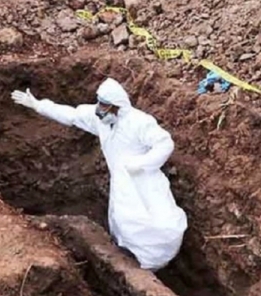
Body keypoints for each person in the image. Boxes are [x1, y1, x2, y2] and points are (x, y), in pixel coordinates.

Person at [11, 78, 188, 271]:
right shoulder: (101, 120)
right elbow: (72, 115)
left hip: (144, 180)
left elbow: (164, 143)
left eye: (104, 106)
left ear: (117, 107)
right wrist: (38, 105)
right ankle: (130, 261)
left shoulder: (138, 122)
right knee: (124, 222)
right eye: (99, 104)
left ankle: (152, 266)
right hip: (122, 183)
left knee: (158, 225)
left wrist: (141, 164)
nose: (99, 110)